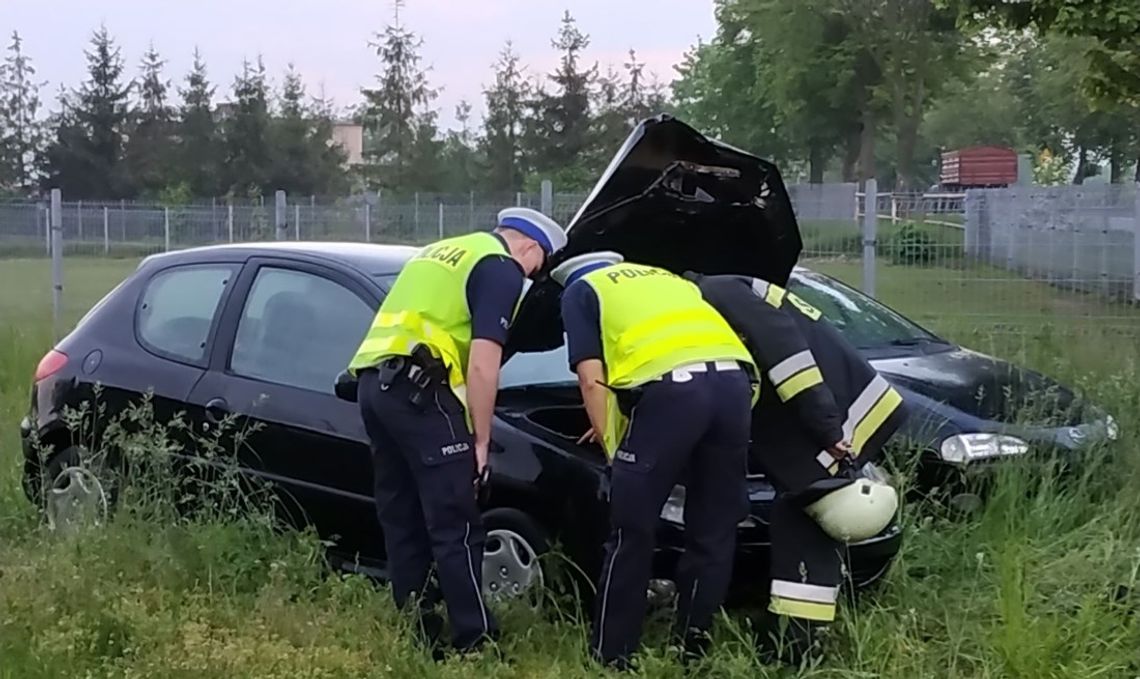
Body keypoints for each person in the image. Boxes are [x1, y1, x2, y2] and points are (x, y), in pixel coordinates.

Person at [344, 207, 567, 657]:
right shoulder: (499, 266)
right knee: (457, 523)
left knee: (402, 518)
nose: (529, 280)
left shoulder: (440, 252)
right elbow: (483, 363)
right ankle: (474, 640)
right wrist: (480, 441)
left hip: (375, 387)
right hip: (424, 394)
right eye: (536, 268)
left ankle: (419, 633)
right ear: (529, 247)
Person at [682, 270, 907, 666]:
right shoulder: (723, 289)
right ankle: (793, 638)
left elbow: (788, 356)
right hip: (833, 414)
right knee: (800, 519)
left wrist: (826, 428)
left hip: (840, 416)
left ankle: (796, 646)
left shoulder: (716, 292)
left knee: (823, 516)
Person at [548, 251, 760, 669]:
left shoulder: (580, 289)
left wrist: (614, 447)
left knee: (631, 530)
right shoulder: (667, 279)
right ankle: (692, 649)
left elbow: (592, 379)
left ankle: (612, 656)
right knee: (714, 531)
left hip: (673, 394)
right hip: (735, 387)